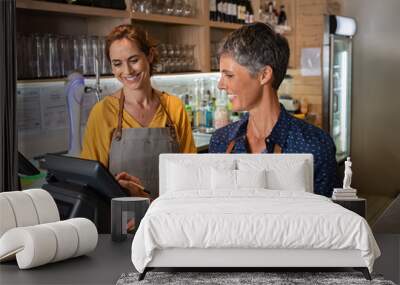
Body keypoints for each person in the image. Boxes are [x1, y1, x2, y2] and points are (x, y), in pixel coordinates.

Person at [209, 22, 337, 197]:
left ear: (264, 75)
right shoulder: (221, 141)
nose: (220, 85)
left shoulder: (315, 145)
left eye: (229, 75)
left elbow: (326, 220)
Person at [81, 24, 196, 199]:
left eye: (133, 60)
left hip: (168, 215)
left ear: (149, 55)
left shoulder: (174, 106)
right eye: (117, 64)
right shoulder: (102, 112)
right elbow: (91, 183)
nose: (127, 71)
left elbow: (191, 173)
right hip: (122, 218)